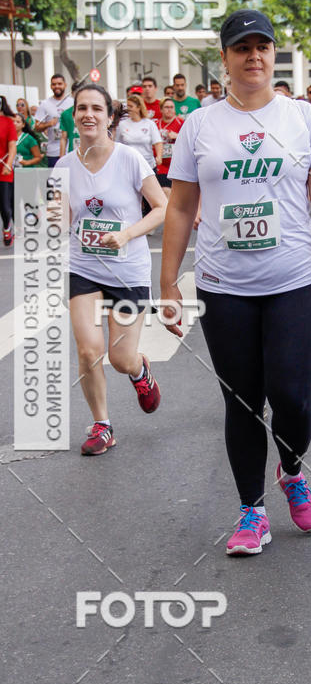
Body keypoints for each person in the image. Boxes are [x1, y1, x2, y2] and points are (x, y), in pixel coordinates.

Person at [161, 8, 311, 556]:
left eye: (262, 46)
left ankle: (290, 469)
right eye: (241, 48)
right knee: (242, 401)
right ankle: (251, 509)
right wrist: (169, 281)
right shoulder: (200, 124)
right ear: (224, 59)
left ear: (274, 53)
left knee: (290, 396)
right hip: (223, 285)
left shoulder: (304, 119)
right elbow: (180, 208)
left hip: (291, 277)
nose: (253, 56)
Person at [55, 84, 167, 455]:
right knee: (89, 351)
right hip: (83, 265)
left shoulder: (130, 160)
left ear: (109, 117)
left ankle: (138, 370)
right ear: (74, 115)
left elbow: (162, 208)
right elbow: (61, 217)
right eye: (81, 108)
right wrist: (50, 217)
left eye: (96, 109)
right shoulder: (64, 166)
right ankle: (102, 425)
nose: (88, 114)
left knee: (119, 358)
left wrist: (127, 233)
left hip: (127, 268)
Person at [115, 93, 162, 172]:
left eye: (131, 106)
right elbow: (116, 144)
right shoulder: (122, 124)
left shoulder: (149, 124)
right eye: (127, 106)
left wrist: (159, 156)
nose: (128, 109)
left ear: (138, 107)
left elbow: (157, 142)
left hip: (148, 165)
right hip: (128, 166)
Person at [34, 74, 74, 168]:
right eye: (54, 84)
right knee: (55, 181)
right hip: (53, 152)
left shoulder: (73, 102)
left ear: (65, 85)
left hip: (71, 149)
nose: (57, 86)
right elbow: (37, 127)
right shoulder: (45, 104)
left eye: (59, 84)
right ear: (51, 86)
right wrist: (48, 124)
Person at [156, 97, 183, 197]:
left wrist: (177, 136)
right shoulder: (155, 124)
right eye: (166, 107)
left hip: (175, 164)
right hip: (160, 164)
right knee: (164, 191)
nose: (169, 110)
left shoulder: (180, 123)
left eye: (171, 107)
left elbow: (190, 140)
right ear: (161, 109)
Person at [0, 96, 17, 245]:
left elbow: (12, 147)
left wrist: (8, 164)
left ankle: (7, 226)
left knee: (5, 207)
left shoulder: (8, 123)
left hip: (3, 170)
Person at [59, 83, 81, 157]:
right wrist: (61, 157)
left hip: (91, 153)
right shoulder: (66, 114)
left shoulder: (92, 112)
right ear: (72, 94)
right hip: (73, 153)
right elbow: (63, 138)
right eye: (76, 92)